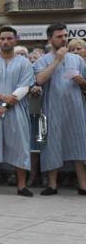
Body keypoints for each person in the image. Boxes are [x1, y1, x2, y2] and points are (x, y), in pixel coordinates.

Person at [0, 26, 36, 197]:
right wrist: (3, 98)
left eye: (9, 38)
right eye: (2, 39)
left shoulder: (24, 63)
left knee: (19, 146)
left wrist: (5, 106)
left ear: (15, 40)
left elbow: (25, 87)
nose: (5, 42)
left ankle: (21, 186)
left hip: (16, 109)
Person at [33, 23, 86, 196]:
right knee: (52, 146)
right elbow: (40, 80)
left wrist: (82, 83)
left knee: (79, 145)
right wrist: (57, 60)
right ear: (50, 39)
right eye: (59, 36)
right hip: (52, 109)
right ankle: (52, 185)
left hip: (75, 110)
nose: (63, 39)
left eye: (65, 35)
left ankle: (83, 185)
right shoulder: (42, 60)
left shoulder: (77, 59)